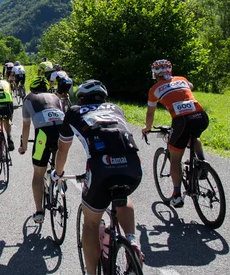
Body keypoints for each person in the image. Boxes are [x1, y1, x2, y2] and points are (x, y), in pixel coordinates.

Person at [53, 80, 142, 275]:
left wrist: (58, 173)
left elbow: (62, 148)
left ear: (81, 98)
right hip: (133, 165)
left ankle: (92, 273)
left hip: (102, 167)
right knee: (123, 194)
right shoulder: (116, 109)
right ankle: (132, 240)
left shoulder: (75, 112)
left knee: (92, 223)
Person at [142, 59, 209, 208]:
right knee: (194, 137)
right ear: (170, 71)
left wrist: (147, 127)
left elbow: (150, 113)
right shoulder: (182, 79)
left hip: (182, 121)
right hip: (201, 116)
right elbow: (190, 86)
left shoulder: (154, 90)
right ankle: (202, 162)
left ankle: (177, 195)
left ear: (154, 74)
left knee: (175, 159)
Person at [18, 78, 65, 224]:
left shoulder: (28, 99)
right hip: (61, 133)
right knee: (59, 162)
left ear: (32, 90)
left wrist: (24, 146)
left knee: (38, 174)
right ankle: (60, 179)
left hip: (43, 135)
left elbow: (26, 126)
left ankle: (39, 212)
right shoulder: (56, 98)